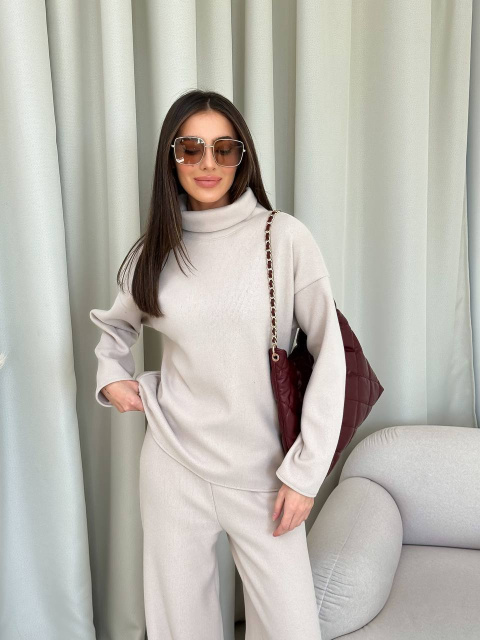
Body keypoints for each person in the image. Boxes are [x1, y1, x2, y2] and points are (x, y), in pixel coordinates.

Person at [90, 89, 346, 640]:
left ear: (241, 157)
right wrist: (112, 377)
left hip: (266, 474)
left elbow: (331, 354)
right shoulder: (156, 250)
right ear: (171, 158)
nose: (208, 163)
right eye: (191, 148)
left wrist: (305, 473)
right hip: (172, 464)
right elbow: (117, 327)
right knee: (181, 628)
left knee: (292, 629)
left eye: (224, 148)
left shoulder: (283, 237)